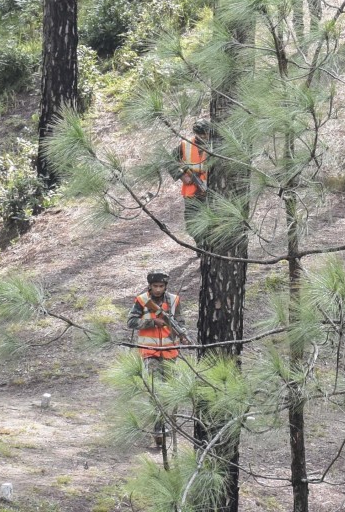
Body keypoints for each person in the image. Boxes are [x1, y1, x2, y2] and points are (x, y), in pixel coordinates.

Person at [127, 270, 186, 447]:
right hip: (150, 351)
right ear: (150, 286)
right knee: (155, 389)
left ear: (166, 286)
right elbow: (130, 322)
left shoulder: (174, 300)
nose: (158, 289)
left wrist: (181, 333)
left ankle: (163, 423)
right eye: (155, 286)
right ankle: (157, 427)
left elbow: (181, 322)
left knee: (168, 391)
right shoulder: (142, 301)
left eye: (161, 286)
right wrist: (153, 322)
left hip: (170, 352)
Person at [170, 120, 209, 243]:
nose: (205, 137)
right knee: (191, 222)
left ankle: (206, 245)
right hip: (192, 191)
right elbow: (169, 161)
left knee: (210, 221)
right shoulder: (185, 145)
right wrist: (182, 176)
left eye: (206, 134)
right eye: (202, 135)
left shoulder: (215, 145)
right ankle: (199, 243)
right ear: (196, 134)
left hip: (211, 190)